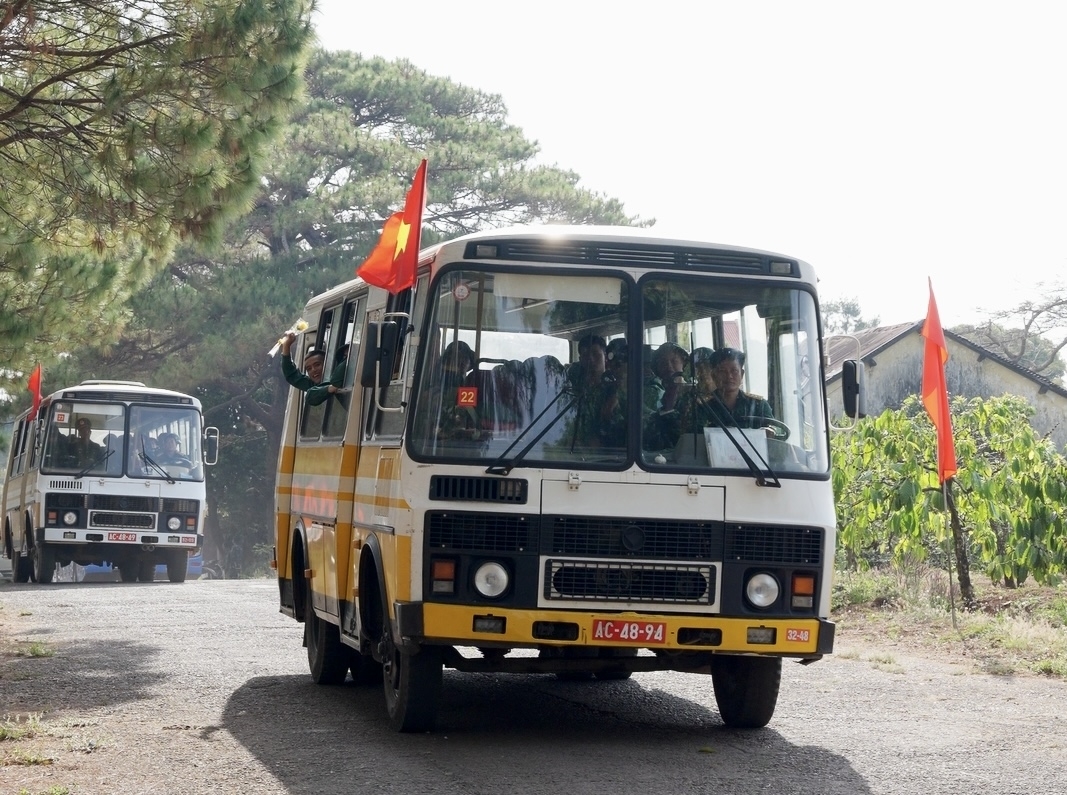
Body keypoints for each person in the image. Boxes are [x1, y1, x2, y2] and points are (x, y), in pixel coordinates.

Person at [279, 332, 338, 406]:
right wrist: (286, 346)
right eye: (309, 369)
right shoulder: (315, 385)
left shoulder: (336, 379)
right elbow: (291, 375)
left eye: (317, 365)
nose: (313, 370)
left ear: (328, 365)